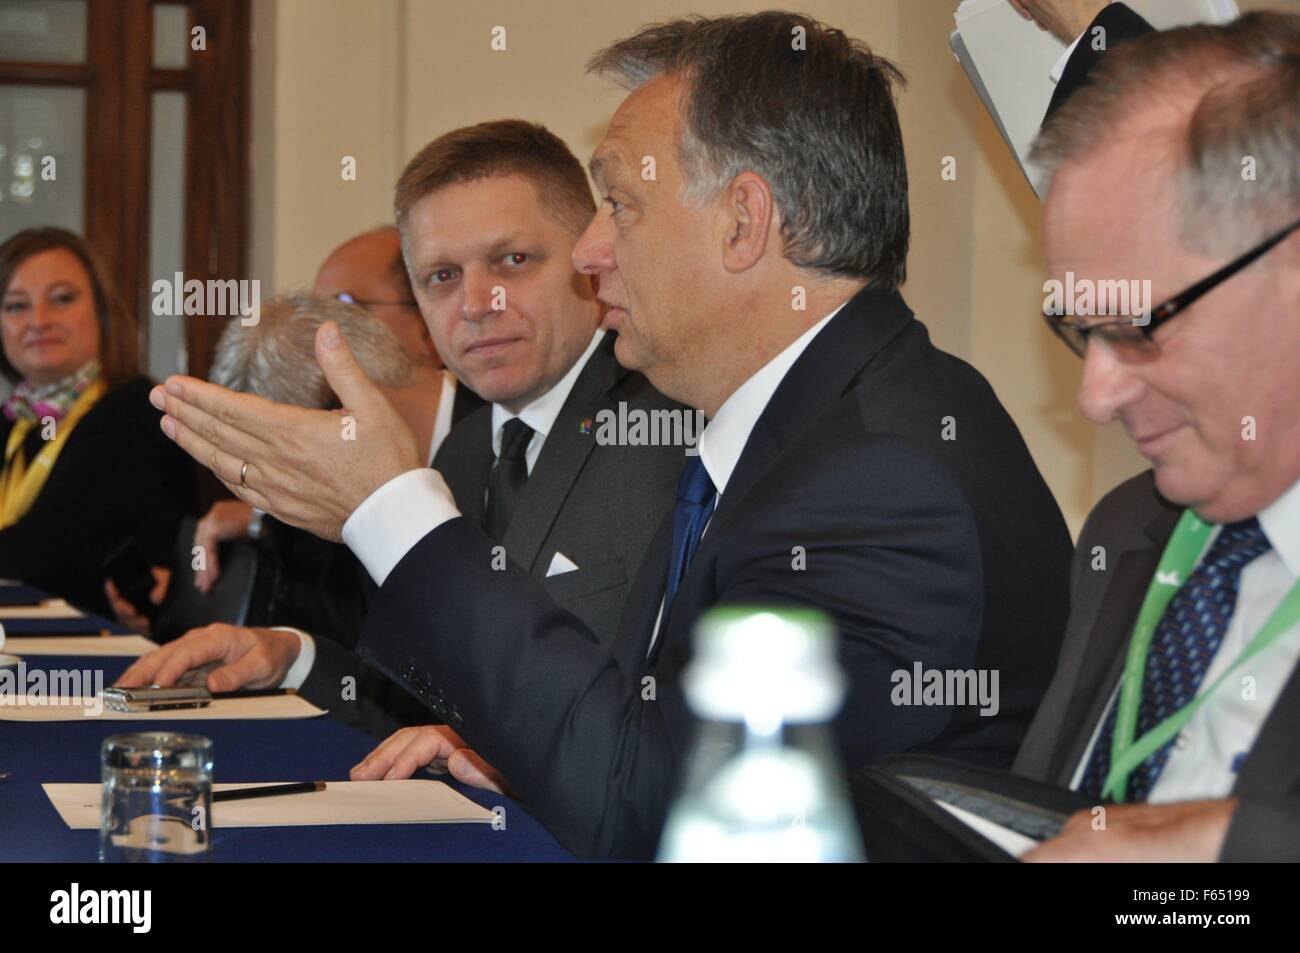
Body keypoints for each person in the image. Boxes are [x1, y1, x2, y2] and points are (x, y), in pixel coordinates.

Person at [137, 12, 1073, 859]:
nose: (590, 252)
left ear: (744, 222)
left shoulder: (880, 479)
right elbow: (635, 736)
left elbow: (668, 816)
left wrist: (394, 511)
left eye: (618, 205)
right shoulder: (803, 429)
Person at [121, 121, 686, 767]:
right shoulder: (465, 450)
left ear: (589, 255)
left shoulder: (664, 424)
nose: (476, 303)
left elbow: (640, 730)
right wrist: (291, 655)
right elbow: (427, 711)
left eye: (513, 260)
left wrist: (498, 747)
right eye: (441, 275)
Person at [1012, 12, 1300, 862]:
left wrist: (1220, 855)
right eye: (1080, 333)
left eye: (1137, 326)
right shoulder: (1125, 531)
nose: (1095, 396)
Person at [0, 228, 195, 617]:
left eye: (62, 299)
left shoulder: (146, 415)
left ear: (101, 311)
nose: (39, 320)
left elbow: (55, 557)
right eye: (16, 305)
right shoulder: (11, 424)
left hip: (98, 657)